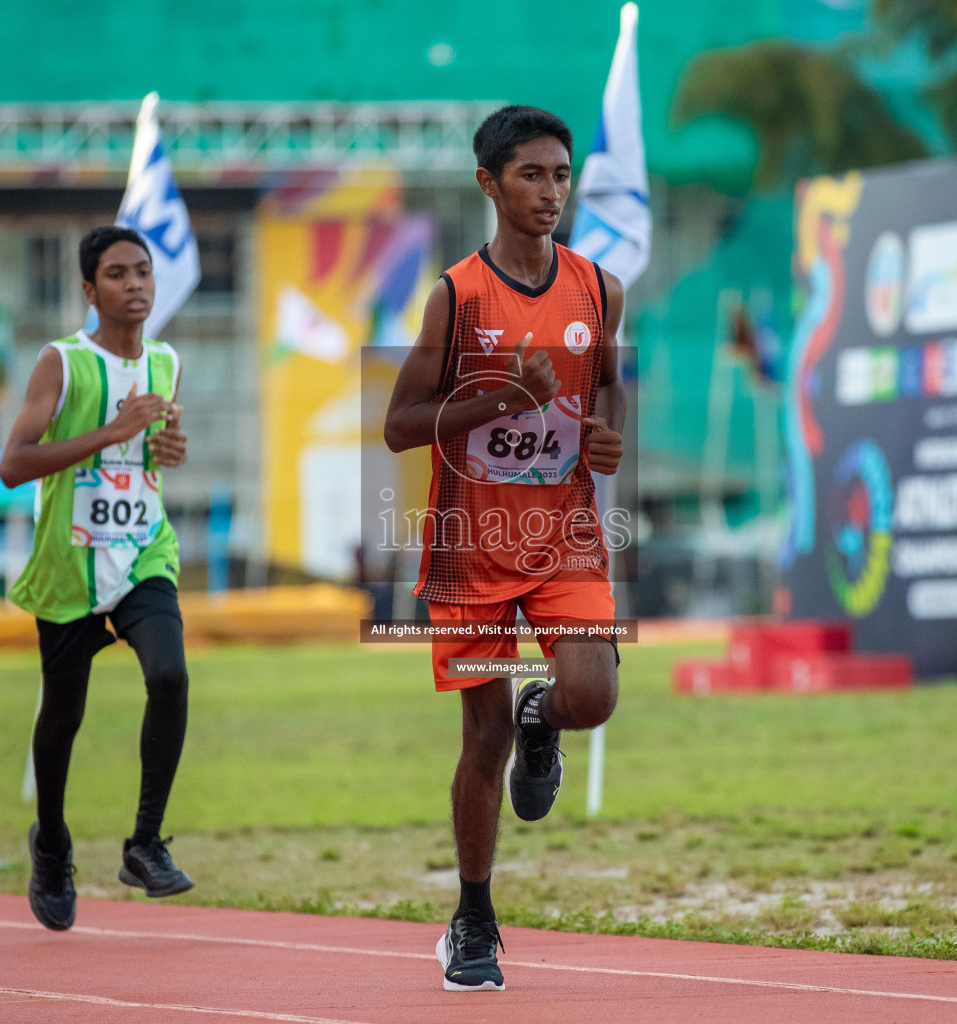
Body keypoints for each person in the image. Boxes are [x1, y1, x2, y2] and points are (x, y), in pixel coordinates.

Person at [383, 105, 626, 991]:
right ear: (489, 183)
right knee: (478, 736)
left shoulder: (598, 287)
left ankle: (545, 719)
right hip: (470, 544)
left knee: (591, 695)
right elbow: (399, 427)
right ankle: (474, 919)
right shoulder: (457, 295)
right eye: (532, 175)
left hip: (561, 534)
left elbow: (606, 393)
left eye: (561, 174)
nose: (550, 191)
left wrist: (606, 439)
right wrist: (498, 403)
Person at [0, 226, 195, 931]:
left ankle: (145, 844)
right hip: (70, 564)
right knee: (63, 717)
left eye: (143, 271)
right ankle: (51, 842)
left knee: (170, 677)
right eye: (117, 274)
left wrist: (167, 446)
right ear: (90, 290)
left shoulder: (168, 361)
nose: (135, 284)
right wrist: (111, 434)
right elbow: (14, 464)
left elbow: (158, 452)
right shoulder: (63, 362)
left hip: (143, 551)